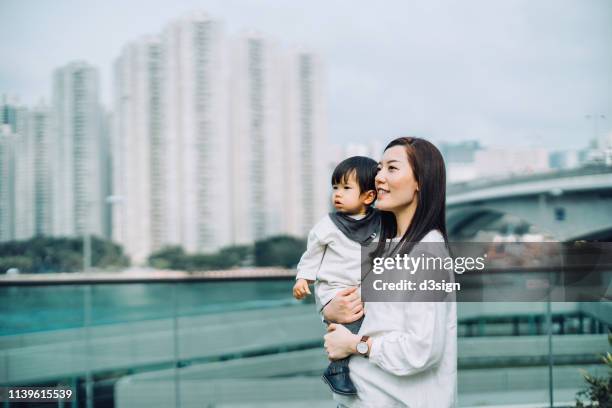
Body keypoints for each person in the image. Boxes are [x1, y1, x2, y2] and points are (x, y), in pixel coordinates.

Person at [322, 137, 458, 407]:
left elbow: (422, 348)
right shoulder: (389, 247)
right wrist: (331, 308)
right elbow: (367, 317)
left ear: (421, 181)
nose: (379, 178)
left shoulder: (427, 251)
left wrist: (356, 345)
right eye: (379, 169)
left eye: (392, 169)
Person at [293, 156, 381, 395]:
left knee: (363, 320)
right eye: (335, 188)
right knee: (349, 319)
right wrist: (303, 278)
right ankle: (337, 368)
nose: (337, 194)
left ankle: (351, 363)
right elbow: (312, 255)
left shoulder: (381, 222)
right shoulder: (327, 225)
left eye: (346, 188)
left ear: (368, 196)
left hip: (359, 287)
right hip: (334, 288)